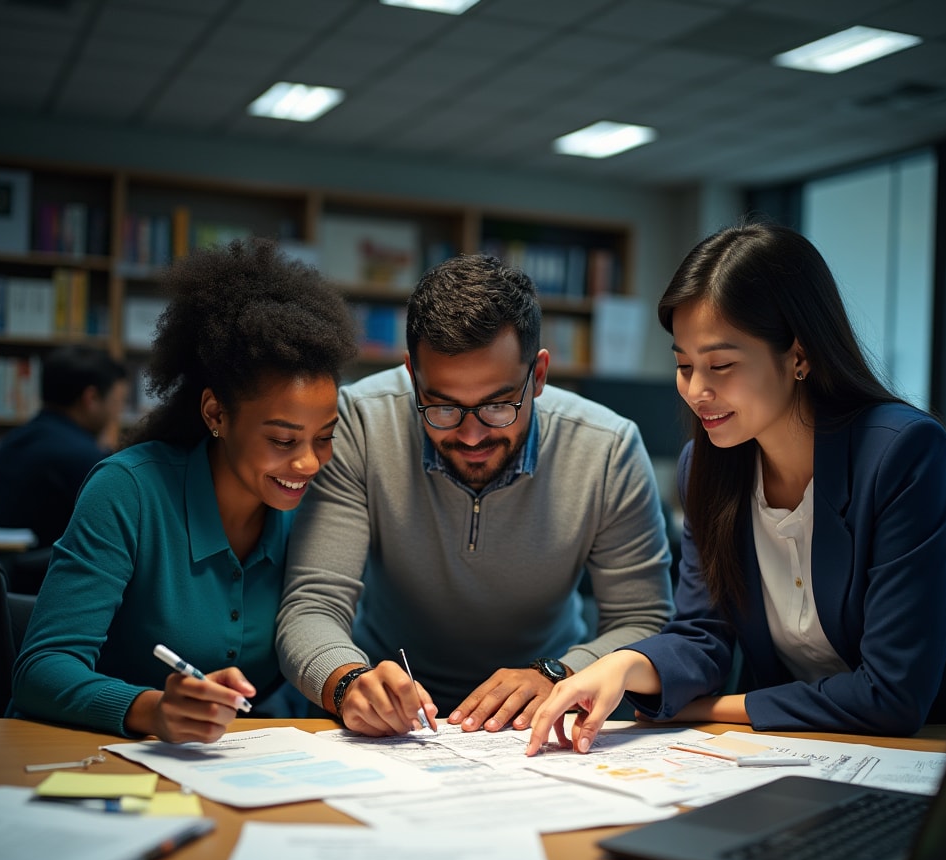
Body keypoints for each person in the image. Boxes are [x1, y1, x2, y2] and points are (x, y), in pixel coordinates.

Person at [527, 219, 946, 760]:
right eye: (684, 366)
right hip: (811, 749)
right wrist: (622, 665)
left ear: (799, 355)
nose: (697, 391)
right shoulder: (705, 467)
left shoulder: (903, 454)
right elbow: (701, 637)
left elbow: (893, 696)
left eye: (722, 365)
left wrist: (711, 708)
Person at [276, 251, 673, 737]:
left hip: (544, 712)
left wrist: (559, 673)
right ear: (412, 375)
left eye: (497, 405)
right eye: (441, 407)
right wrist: (347, 683)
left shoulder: (608, 449)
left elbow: (645, 619)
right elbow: (312, 604)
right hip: (388, 720)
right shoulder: (358, 422)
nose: (470, 436)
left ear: (540, 375)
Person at [9, 237, 358, 742]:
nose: (307, 462)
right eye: (282, 439)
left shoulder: (312, 510)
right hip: (86, 759)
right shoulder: (128, 491)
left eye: (325, 437)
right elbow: (40, 669)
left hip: (229, 769)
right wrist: (152, 709)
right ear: (216, 414)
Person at [0, 344, 127, 546]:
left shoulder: (9, 444)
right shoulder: (87, 459)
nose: (116, 413)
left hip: (12, 574)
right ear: (91, 398)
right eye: (116, 402)